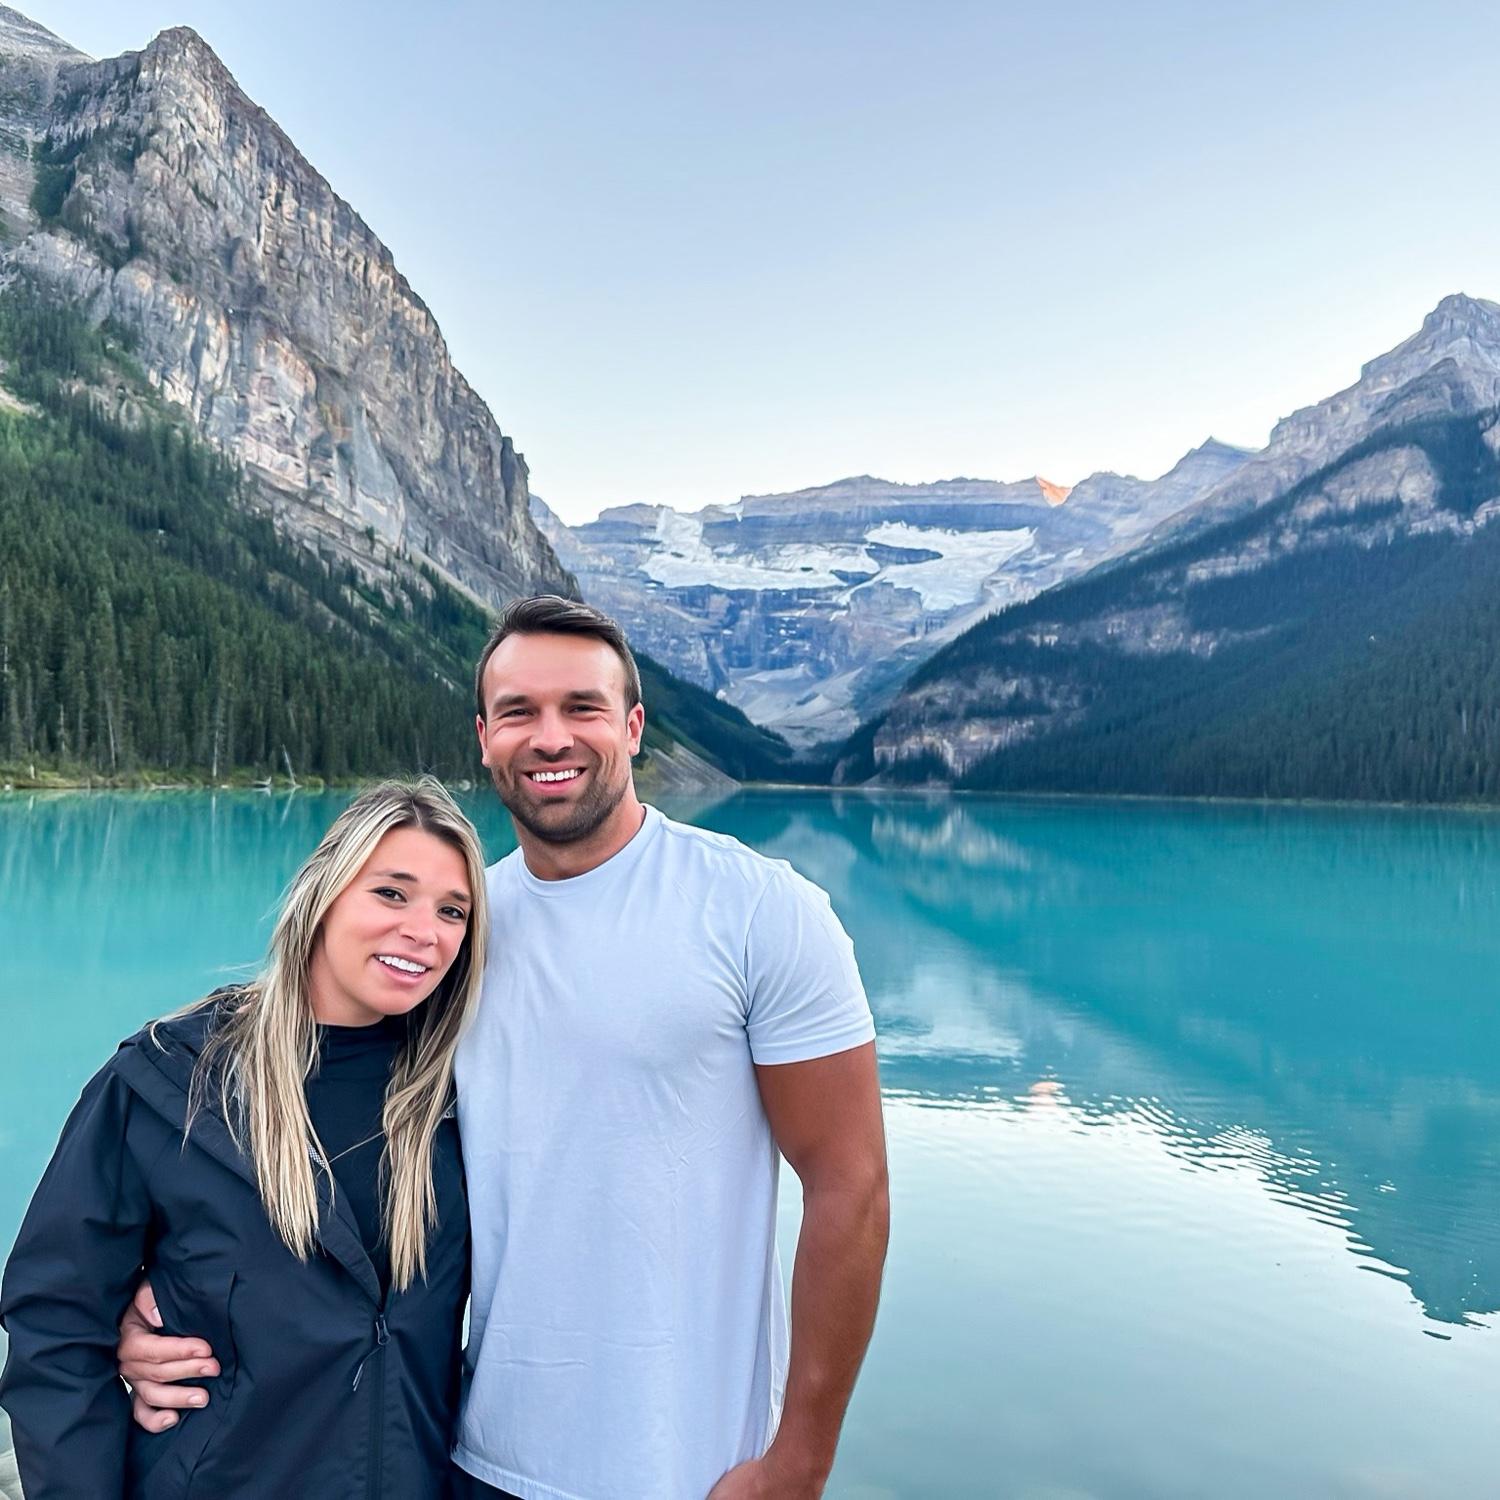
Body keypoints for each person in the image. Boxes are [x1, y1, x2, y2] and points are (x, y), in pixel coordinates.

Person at [120, 597, 891, 1500]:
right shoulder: (453, 931)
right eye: (519, 712)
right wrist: (156, 1302)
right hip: (473, 1458)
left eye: (583, 708)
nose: (550, 737)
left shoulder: (761, 910)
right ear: (485, 736)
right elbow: (324, 1127)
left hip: (692, 1467)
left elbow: (851, 1185)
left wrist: (800, 1460)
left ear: (634, 728)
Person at [1, 778, 489, 1500]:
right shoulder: (173, 1081)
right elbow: (57, 1319)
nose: (426, 931)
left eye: (453, 911)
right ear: (321, 894)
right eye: (391, 893)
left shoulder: (461, 1098)